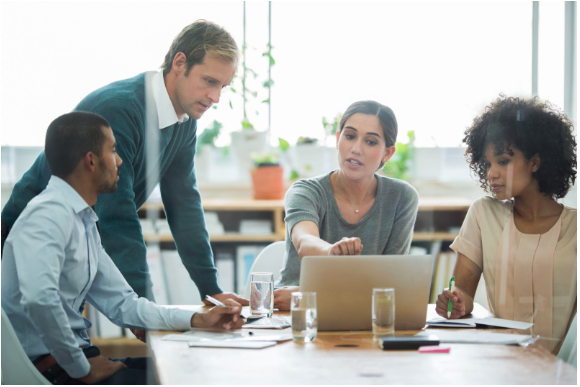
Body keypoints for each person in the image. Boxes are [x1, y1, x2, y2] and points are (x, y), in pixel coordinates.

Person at [1, 20, 248, 322]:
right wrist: (145, 308)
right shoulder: (120, 109)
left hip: (76, 242)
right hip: (32, 243)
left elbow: (184, 204)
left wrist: (210, 289)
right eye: (209, 81)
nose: (216, 98)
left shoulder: (185, 122)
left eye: (223, 86)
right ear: (179, 63)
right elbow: (117, 213)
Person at [1, 112, 244, 385]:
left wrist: (199, 319)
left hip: (77, 359)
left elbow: (124, 304)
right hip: (54, 371)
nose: (120, 161)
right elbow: (39, 299)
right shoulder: (46, 215)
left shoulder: (82, 219)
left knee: (193, 368)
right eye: (113, 150)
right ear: (91, 160)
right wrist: (82, 369)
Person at [435, 96, 577, 353]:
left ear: (534, 162)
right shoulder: (483, 214)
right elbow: (463, 290)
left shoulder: (575, 227)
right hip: (501, 362)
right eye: (488, 164)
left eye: (503, 161)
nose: (491, 173)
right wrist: (456, 302)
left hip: (561, 371)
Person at [274, 100, 419, 310]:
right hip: (295, 310)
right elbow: (305, 242)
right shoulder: (305, 191)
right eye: (350, 136)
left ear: (387, 153)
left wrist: (315, 296)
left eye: (370, 142)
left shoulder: (402, 198)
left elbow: (390, 283)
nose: (356, 149)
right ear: (337, 139)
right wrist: (332, 253)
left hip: (359, 311)